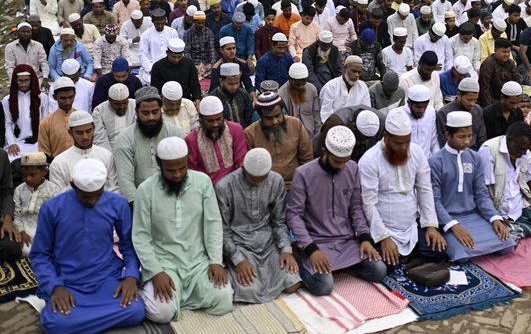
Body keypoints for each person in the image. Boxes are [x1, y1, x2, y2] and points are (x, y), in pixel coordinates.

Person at [31, 159, 145, 334]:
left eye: (97, 195)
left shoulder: (118, 203)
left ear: (103, 185)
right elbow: (40, 255)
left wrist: (131, 276)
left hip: (106, 278)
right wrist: (55, 287)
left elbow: (129, 246)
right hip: (68, 282)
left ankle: (81, 323)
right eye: (85, 196)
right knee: (53, 323)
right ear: (72, 185)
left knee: (137, 310)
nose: (92, 201)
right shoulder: (51, 208)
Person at [133, 137, 234, 323]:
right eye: (170, 170)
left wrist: (215, 261)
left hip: (198, 262)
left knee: (224, 299)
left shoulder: (202, 182)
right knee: (161, 313)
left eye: (182, 168)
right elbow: (140, 235)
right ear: (159, 164)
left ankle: (180, 298)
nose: (177, 174)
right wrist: (155, 272)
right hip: (165, 264)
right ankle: (168, 295)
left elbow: (213, 223)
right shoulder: (145, 190)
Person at [286, 126, 386, 295]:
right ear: (324, 151)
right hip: (316, 242)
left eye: (345, 161)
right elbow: (293, 215)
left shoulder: (352, 168)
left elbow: (356, 208)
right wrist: (312, 250)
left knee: (379, 270)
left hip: (346, 243)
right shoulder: (303, 174)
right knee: (324, 286)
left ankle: (341, 267)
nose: (342, 166)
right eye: (337, 161)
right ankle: (303, 261)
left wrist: (364, 238)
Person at [358, 109, 446, 266]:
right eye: (398, 143)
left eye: (407, 142)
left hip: (411, 224)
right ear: (386, 137)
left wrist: (431, 225)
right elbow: (368, 203)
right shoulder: (369, 160)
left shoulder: (416, 153)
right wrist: (384, 237)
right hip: (384, 227)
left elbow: (424, 189)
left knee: (439, 250)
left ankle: (410, 256)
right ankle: (408, 257)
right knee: (387, 264)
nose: (404, 148)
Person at [216, 148, 301, 302]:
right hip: (239, 244)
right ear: (242, 168)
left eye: (263, 178)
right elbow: (223, 230)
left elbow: (279, 221)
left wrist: (286, 249)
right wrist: (238, 260)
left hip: (268, 242)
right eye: (254, 179)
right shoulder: (224, 187)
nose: (259, 183)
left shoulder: (276, 180)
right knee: (250, 290)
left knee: (292, 283)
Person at [428, 111, 515, 262]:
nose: (467, 141)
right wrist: (453, 226)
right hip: (447, 219)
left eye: (469, 136)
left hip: (473, 216)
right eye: (461, 137)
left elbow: (481, 193)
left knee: (506, 244)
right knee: (461, 255)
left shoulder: (475, 158)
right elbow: (434, 201)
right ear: (447, 134)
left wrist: (495, 218)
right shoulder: (435, 162)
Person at [480, 122, 531, 241]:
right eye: (521, 149)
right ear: (510, 140)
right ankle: (513, 230)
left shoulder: (524, 150)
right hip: (498, 208)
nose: (523, 153)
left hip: (519, 204)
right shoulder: (489, 151)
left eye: (525, 150)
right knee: (504, 239)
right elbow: (482, 190)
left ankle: (517, 229)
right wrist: (495, 216)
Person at [115, 87, 182, 203]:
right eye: (145, 113)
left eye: (155, 112)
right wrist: (141, 207)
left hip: (174, 199)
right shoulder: (125, 139)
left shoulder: (175, 134)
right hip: (140, 201)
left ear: (161, 110)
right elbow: (125, 181)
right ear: (136, 112)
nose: (151, 117)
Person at [244, 92, 313, 186]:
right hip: (265, 187)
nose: (275, 122)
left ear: (282, 111)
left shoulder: (296, 124)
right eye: (269, 118)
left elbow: (307, 160)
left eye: (277, 116)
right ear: (260, 117)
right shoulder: (250, 134)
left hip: (295, 184)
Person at [49, 110, 119, 193]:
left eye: (88, 131)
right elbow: (58, 196)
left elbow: (114, 189)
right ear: (70, 132)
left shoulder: (106, 156)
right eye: (79, 133)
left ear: (94, 129)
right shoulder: (59, 163)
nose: (85, 137)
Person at [185, 96, 248, 185]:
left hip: (236, 185)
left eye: (219, 119)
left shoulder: (236, 130)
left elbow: (241, 163)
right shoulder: (191, 139)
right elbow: (194, 173)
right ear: (201, 119)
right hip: (208, 189)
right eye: (210, 121)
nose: (215, 124)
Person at [13, 152, 58, 256]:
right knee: (22, 249)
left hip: (45, 229)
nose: (28, 179)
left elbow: (56, 216)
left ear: (44, 172)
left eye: (32, 175)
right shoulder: (19, 190)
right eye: (24, 176)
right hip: (25, 228)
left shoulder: (54, 190)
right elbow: (17, 214)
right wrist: (21, 231)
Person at [3, 65, 51, 159]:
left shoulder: (41, 97)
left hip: (37, 142)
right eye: (20, 81)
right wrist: (12, 143)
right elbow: (8, 124)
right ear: (15, 81)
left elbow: (45, 122)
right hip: (17, 143)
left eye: (26, 80)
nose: (24, 84)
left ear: (31, 80)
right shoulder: (7, 100)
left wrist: (44, 142)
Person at [437, 77, 487, 150]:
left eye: (475, 100)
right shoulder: (444, 113)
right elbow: (444, 142)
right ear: (459, 94)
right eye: (469, 100)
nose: (472, 103)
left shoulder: (477, 110)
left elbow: (481, 138)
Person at [319, 55, 371, 123]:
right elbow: (325, 114)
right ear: (345, 68)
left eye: (359, 72)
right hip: (333, 126)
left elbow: (366, 112)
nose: (357, 75)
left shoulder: (363, 87)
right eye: (354, 71)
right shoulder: (331, 86)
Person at [150, 38, 202, 103]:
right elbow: (155, 90)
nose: (176, 60)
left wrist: (197, 100)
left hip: (186, 101)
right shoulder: (157, 67)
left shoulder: (189, 64)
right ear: (167, 53)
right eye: (173, 57)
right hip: (166, 103)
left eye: (179, 57)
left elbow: (195, 85)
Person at [278, 62, 321, 137]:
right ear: (289, 78)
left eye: (303, 82)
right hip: (291, 137)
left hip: (311, 135)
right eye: (297, 84)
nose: (301, 87)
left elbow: (316, 115)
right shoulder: (281, 94)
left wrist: (318, 135)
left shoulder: (312, 89)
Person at [38, 77, 77, 159]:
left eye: (70, 97)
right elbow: (44, 154)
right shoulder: (46, 123)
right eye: (63, 98)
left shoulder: (82, 119)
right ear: (54, 97)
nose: (67, 102)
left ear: (75, 95)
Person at [139, 9, 179, 85]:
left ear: (165, 20)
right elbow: (142, 54)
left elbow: (176, 51)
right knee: (149, 80)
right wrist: (151, 69)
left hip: (170, 65)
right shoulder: (146, 34)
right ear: (152, 21)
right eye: (157, 24)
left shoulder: (172, 32)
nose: (160, 26)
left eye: (162, 23)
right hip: (152, 66)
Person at [479, 38, 523, 108]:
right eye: (504, 52)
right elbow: (485, 88)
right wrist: (490, 107)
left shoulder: (511, 63)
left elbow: (517, 80)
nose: (506, 54)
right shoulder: (487, 65)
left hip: (509, 99)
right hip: (493, 101)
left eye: (508, 52)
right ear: (495, 50)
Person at [210, 62, 256, 128]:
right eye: (231, 84)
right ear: (221, 81)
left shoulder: (243, 94)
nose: (234, 87)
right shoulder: (213, 99)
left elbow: (249, 118)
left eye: (237, 83)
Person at [92, 83, 136, 151]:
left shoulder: (135, 105)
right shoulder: (99, 111)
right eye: (117, 104)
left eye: (124, 103)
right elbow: (100, 140)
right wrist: (110, 157)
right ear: (109, 99)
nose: (122, 107)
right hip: (109, 152)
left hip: (134, 149)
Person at [400, 85, 440, 157]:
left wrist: (435, 160)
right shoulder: (399, 115)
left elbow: (433, 140)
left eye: (424, 106)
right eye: (418, 107)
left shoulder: (431, 112)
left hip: (427, 162)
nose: (421, 110)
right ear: (409, 103)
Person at [4, 22, 49, 87]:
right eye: (23, 31)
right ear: (17, 33)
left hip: (36, 78)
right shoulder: (10, 47)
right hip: (18, 79)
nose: (26, 34)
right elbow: (9, 66)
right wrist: (14, 80)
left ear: (31, 33)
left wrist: (45, 78)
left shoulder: (38, 46)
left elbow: (44, 63)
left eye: (28, 32)